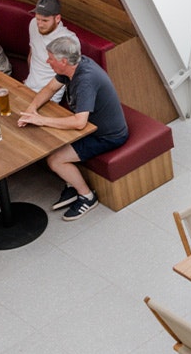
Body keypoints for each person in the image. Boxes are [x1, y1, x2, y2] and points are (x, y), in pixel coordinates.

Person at [17, 36, 128, 221]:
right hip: (90, 127)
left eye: (50, 58)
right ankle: (72, 184)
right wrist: (31, 110)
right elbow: (49, 89)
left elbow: (79, 123)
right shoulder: (71, 67)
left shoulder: (85, 80)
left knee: (55, 160)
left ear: (63, 61)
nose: (47, 61)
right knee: (47, 140)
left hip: (106, 135)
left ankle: (87, 196)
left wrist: (41, 120)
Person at [24, 0, 77, 103]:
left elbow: (72, 76)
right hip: (27, 87)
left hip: (50, 97)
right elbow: (32, 54)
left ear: (57, 18)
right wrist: (29, 83)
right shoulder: (33, 24)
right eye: (37, 18)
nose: (40, 24)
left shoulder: (68, 40)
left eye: (45, 20)